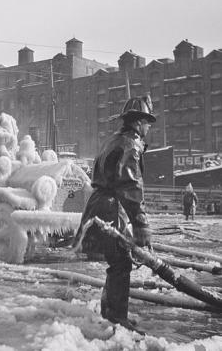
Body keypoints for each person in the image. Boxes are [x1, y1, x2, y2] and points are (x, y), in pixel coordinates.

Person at [73, 95, 155, 334]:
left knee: (117, 261)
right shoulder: (132, 144)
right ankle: (117, 317)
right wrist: (141, 223)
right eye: (148, 121)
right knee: (121, 262)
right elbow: (131, 185)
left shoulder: (114, 140)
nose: (149, 127)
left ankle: (110, 312)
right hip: (111, 205)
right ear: (138, 122)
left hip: (100, 203)